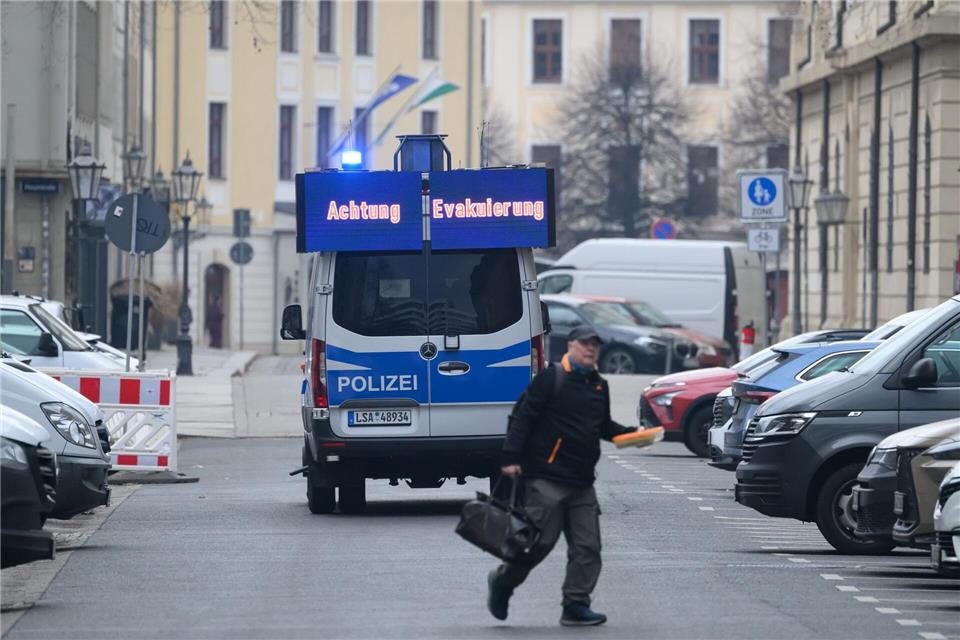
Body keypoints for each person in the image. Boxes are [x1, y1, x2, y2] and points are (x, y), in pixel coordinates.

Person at [487, 325, 637, 626]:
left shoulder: (599, 385)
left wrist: (634, 435)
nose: (591, 349)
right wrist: (511, 457)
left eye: (595, 345)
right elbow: (523, 418)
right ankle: (503, 581)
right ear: (571, 345)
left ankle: (575, 604)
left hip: (582, 482)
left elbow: (603, 427)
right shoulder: (551, 378)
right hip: (546, 478)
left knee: (588, 547)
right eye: (585, 343)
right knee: (537, 545)